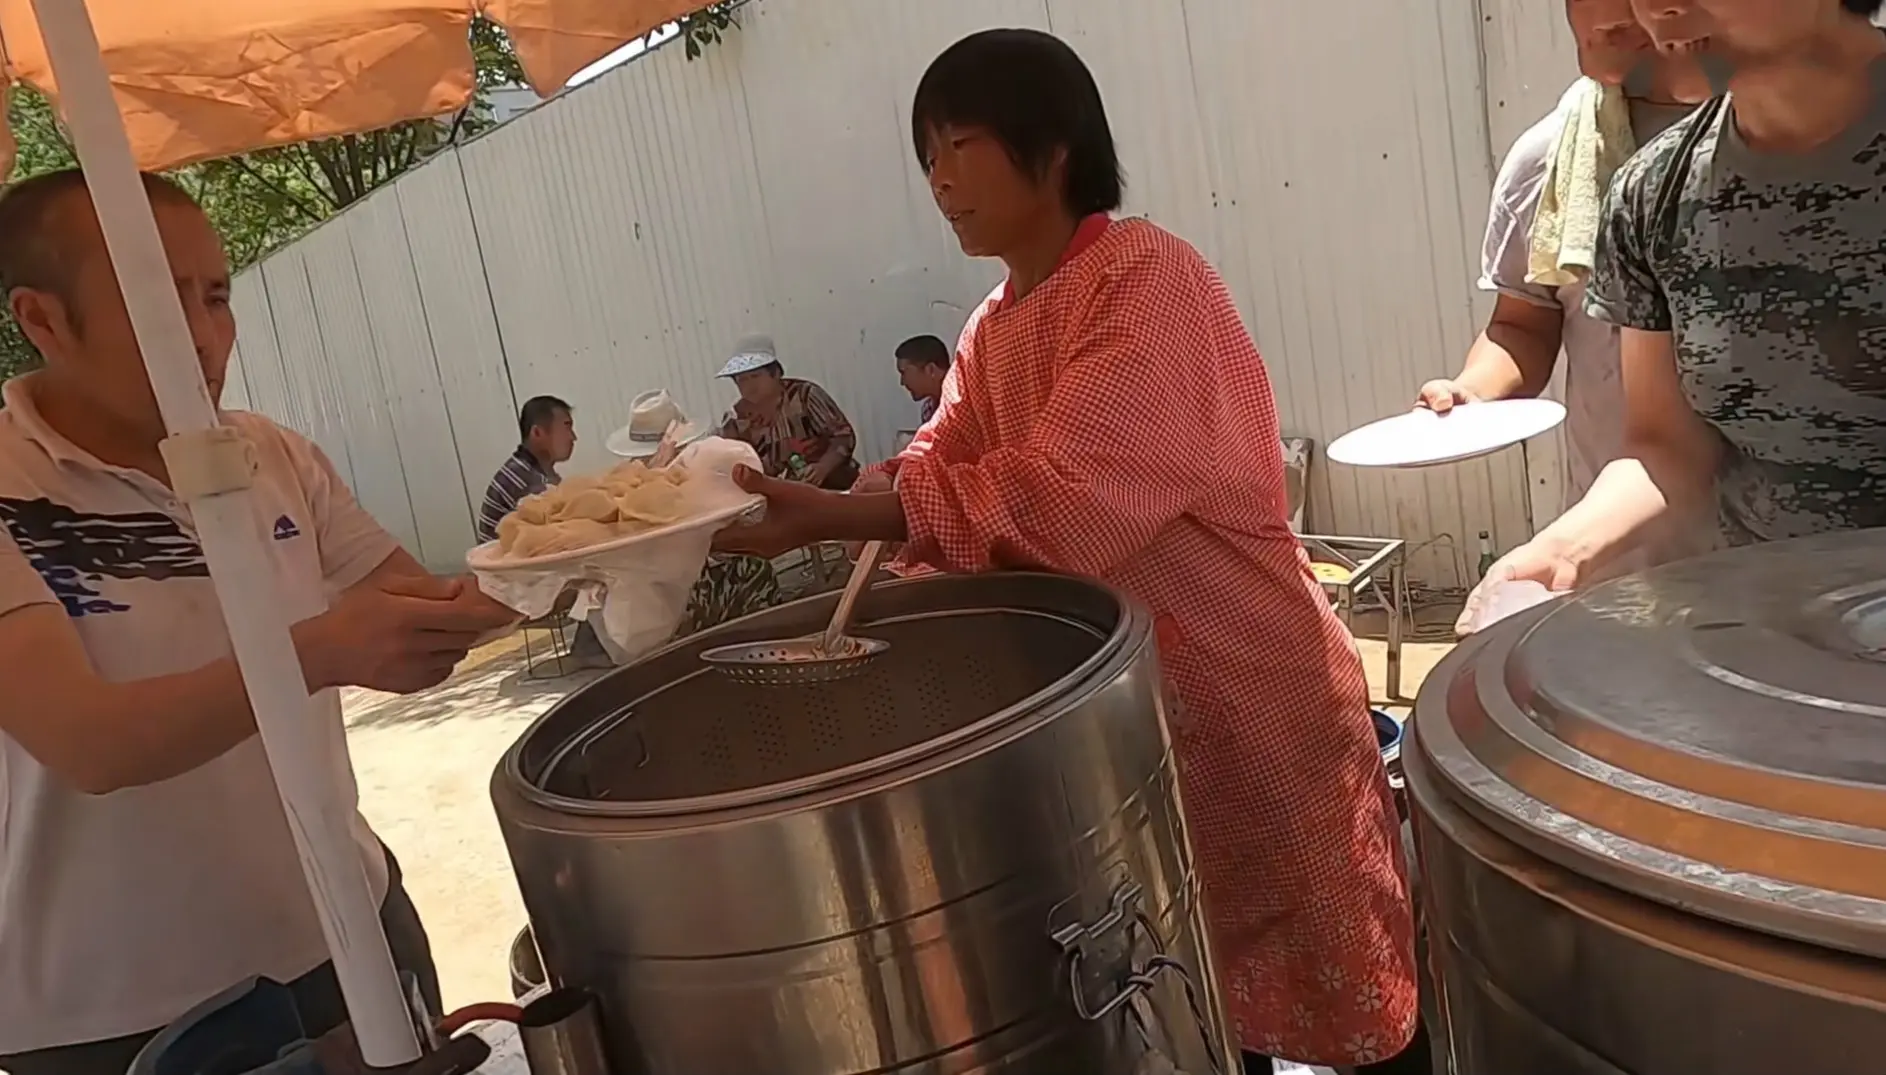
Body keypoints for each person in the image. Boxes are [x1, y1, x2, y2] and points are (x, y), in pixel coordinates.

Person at [717, 29, 1422, 1073]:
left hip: (1248, 699)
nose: (939, 180)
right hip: (1131, 730)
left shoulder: (1145, 279)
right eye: (926, 156)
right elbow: (932, 460)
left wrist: (829, 518)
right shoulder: (991, 328)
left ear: (1050, 152)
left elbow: (1064, 501)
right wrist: (794, 509)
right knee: (1195, 1000)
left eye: (959, 145)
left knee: (1350, 992)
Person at [0, 169, 517, 1075]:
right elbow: (88, 743)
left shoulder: (268, 452)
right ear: (43, 321)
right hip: (117, 1012)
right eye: (158, 304)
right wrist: (313, 650)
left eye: (216, 297)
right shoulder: (12, 483)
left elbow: (426, 607)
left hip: (349, 928)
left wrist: (568, 557)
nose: (203, 339)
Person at [1464, 0, 1886, 627]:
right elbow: (1668, 448)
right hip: (1771, 645)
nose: (1659, 7)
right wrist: (1557, 554)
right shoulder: (1652, 192)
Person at [1417, 0, 1711, 508]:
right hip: (1620, 531)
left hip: (1801, 542)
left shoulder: (1783, 133)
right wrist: (1474, 394)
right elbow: (1522, 324)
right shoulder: (1554, 160)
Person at [716, 334, 860, 490]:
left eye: (755, 376)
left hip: (833, 486)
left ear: (776, 373)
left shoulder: (805, 395)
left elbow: (844, 436)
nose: (750, 386)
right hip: (778, 498)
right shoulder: (736, 419)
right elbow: (732, 464)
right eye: (742, 380)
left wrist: (822, 468)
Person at [476, 394, 575, 544]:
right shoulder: (521, 478)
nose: (573, 437)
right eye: (567, 427)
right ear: (537, 433)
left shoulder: (530, 471)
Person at [895, 334, 951, 423]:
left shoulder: (965, 402)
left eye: (903, 373)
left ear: (930, 370)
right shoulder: (928, 411)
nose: (902, 382)